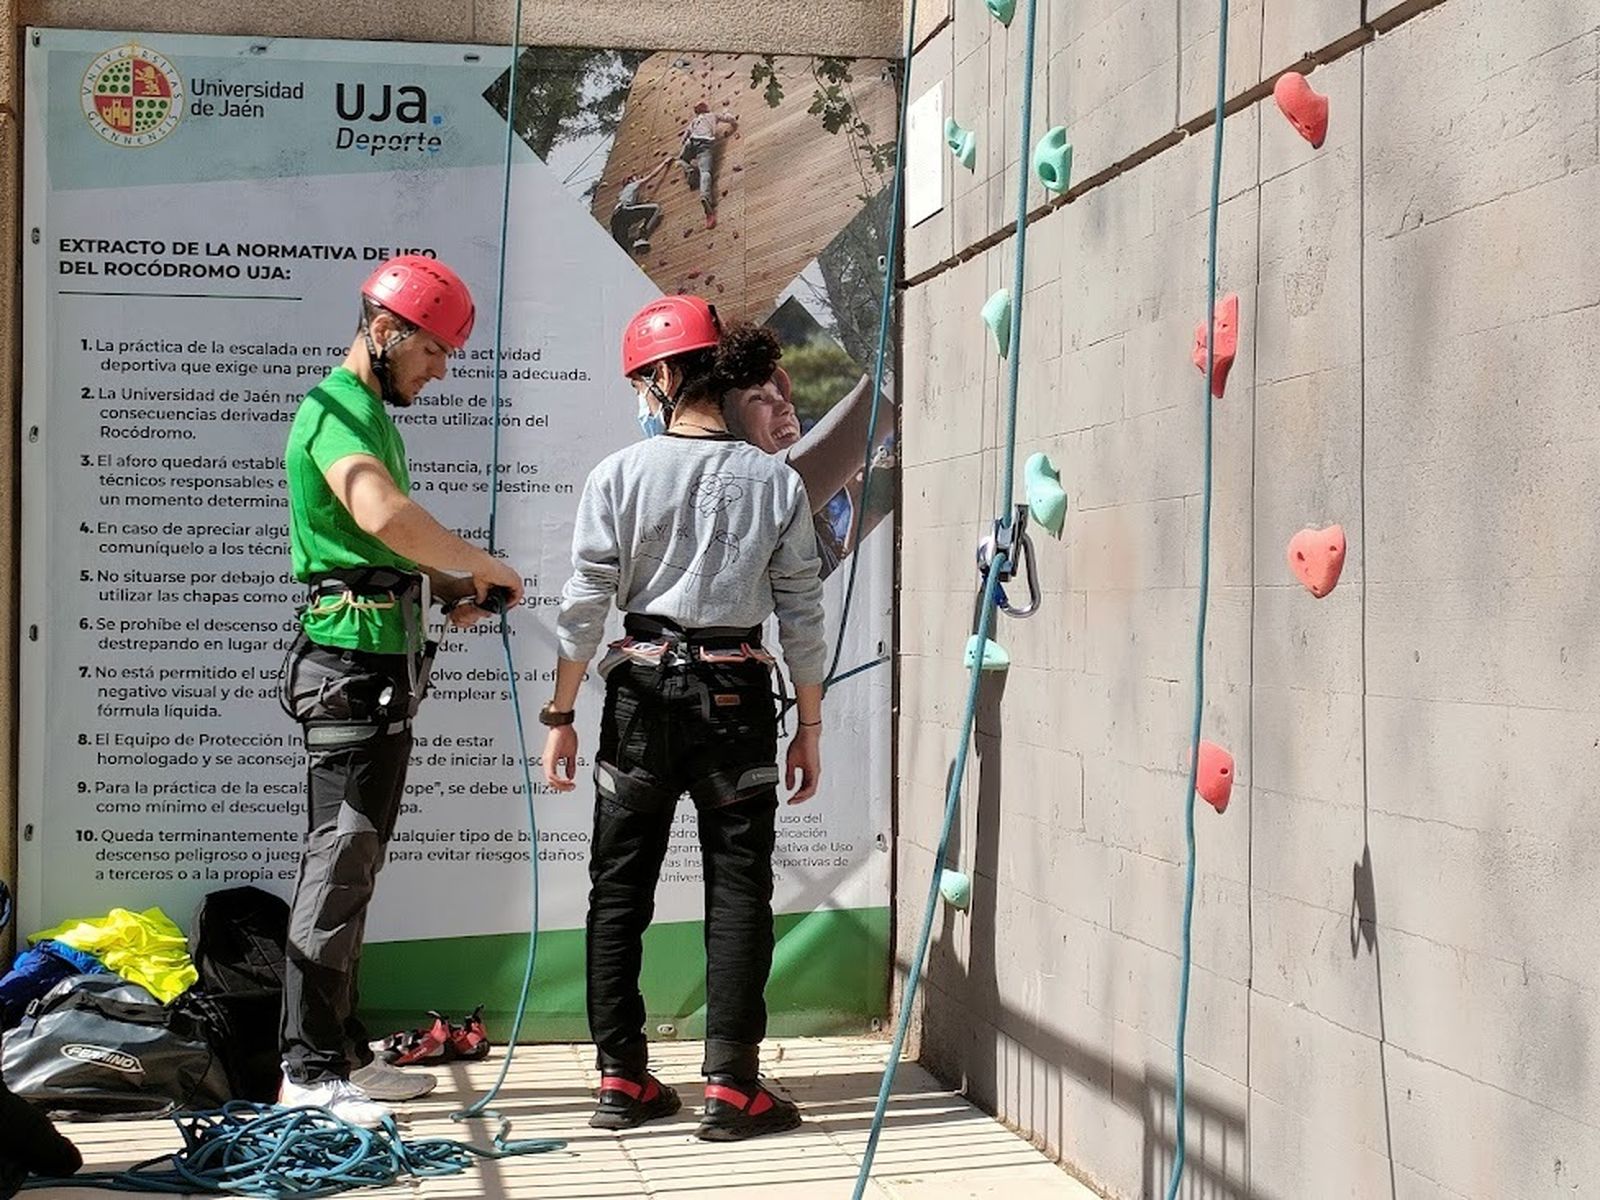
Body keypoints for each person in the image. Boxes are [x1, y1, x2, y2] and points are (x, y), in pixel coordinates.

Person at [541, 295, 825, 1141]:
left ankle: (621, 1077)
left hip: (640, 695)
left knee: (618, 886)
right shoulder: (777, 482)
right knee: (739, 886)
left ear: (665, 375)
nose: (640, 395)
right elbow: (801, 613)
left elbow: (584, 605)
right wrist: (810, 727)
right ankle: (733, 1088)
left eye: (641, 380)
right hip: (735, 699)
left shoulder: (617, 475)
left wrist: (561, 712)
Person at [278, 255, 525, 1127]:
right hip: (350, 672)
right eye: (433, 350)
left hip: (376, 668)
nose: (441, 370)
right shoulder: (334, 411)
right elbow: (381, 514)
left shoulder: (369, 414)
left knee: (356, 864)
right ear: (384, 331)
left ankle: (342, 1054)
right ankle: (308, 1071)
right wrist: (484, 562)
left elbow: (375, 549)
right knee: (339, 861)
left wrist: (454, 588)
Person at [723, 366, 897, 577]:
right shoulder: (754, 496)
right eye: (757, 398)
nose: (786, 407)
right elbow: (873, 405)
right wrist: (888, 364)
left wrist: (864, 513)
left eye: (780, 396)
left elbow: (836, 591)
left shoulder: (800, 521)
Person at [679, 101, 738, 229]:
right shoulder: (713, 115)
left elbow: (683, 139)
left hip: (691, 142)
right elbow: (731, 120)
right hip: (705, 144)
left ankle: (690, 171)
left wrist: (686, 143)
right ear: (706, 109)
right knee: (705, 172)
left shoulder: (694, 122)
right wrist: (727, 112)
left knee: (682, 159)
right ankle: (705, 196)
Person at [610, 157, 672, 255]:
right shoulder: (633, 185)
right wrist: (664, 162)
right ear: (630, 180)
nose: (638, 178)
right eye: (636, 177)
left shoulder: (622, 193)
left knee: (623, 248)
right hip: (625, 210)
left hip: (615, 219)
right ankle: (641, 237)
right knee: (655, 208)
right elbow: (652, 175)